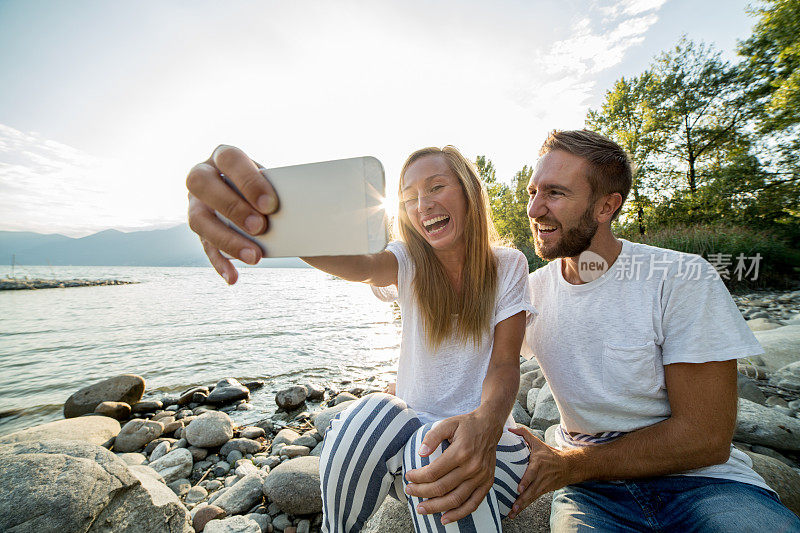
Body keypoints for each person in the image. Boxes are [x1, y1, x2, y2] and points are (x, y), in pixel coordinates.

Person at [186, 145, 536, 531]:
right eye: (409, 198)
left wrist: (484, 425)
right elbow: (363, 265)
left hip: (488, 450)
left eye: (436, 187)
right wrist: (273, 214)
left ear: (469, 192)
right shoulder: (409, 261)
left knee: (430, 452)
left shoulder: (508, 264)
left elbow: (505, 364)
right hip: (411, 452)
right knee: (372, 411)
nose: (423, 205)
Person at [492, 130, 799, 531]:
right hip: (591, 494)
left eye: (555, 193)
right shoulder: (530, 293)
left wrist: (569, 464)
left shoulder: (681, 277)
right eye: (532, 192)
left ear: (606, 206)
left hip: (706, 485)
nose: (534, 209)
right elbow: (475, 362)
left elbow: (705, 437)